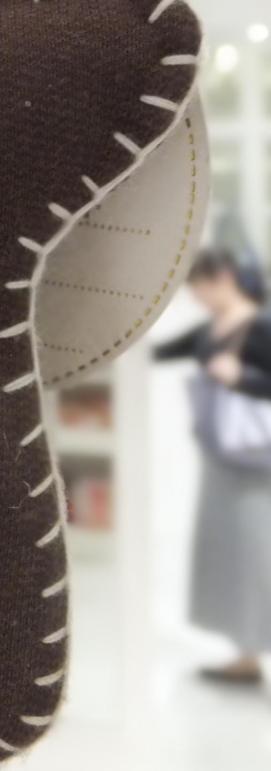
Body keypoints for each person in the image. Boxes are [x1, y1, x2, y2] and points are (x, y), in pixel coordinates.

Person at [155, 248, 271, 683]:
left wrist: (242, 377)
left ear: (222, 278)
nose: (195, 296)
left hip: (258, 461)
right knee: (235, 556)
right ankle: (247, 654)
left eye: (198, 286)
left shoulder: (261, 326)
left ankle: (251, 650)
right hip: (223, 458)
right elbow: (155, 353)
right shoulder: (211, 329)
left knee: (259, 553)